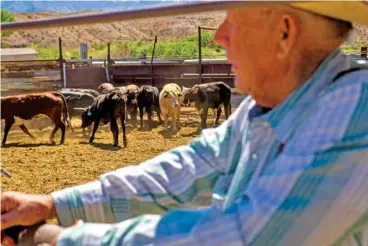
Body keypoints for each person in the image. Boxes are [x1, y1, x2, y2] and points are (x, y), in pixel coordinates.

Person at [2, 2, 368, 245]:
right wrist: (54, 204)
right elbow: (189, 168)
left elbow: (243, 237)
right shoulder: (267, 107)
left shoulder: (354, 111)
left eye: (232, 20)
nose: (219, 36)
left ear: (284, 33)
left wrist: (59, 238)